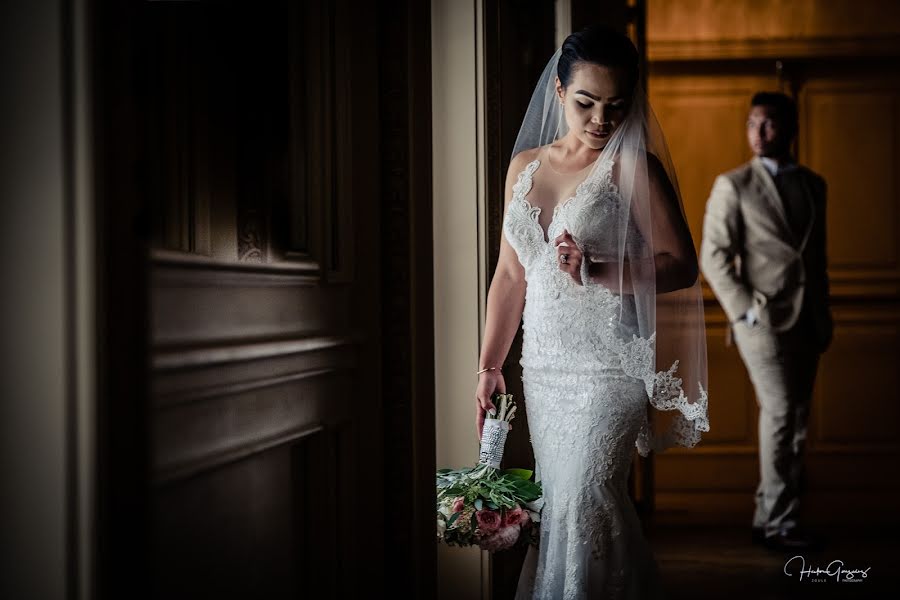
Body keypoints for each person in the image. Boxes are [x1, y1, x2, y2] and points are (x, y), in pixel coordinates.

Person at [475, 25, 710, 599]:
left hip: (608, 368)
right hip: (544, 370)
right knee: (558, 507)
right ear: (559, 92)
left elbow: (682, 264)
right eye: (586, 102)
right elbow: (510, 275)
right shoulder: (524, 168)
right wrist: (488, 365)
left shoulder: (634, 168)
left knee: (586, 498)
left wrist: (599, 267)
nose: (601, 120)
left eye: (616, 106)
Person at [700, 92, 832, 552]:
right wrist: (746, 310)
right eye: (753, 123)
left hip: (808, 321)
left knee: (796, 419)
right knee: (780, 414)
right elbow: (712, 256)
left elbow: (816, 260)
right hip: (761, 322)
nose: (758, 132)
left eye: (770, 124)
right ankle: (779, 522)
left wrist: (824, 313)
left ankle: (769, 514)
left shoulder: (814, 185)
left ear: (790, 128)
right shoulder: (733, 185)